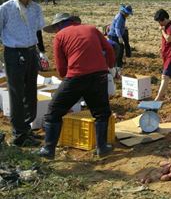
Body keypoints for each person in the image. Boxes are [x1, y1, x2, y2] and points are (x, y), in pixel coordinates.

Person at [37, 13, 115, 158]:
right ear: (73, 21)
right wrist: (109, 66)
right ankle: (102, 147)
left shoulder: (59, 36)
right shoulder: (92, 29)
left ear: (58, 26)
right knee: (101, 112)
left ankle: (48, 150)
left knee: (53, 112)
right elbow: (109, 49)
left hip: (77, 77)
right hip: (99, 75)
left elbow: (61, 68)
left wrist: (67, 78)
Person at [0, 0, 48, 147]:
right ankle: (19, 134)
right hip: (14, 53)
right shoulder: (6, 8)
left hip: (30, 52)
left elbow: (38, 31)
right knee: (17, 93)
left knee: (30, 92)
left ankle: (26, 128)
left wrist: (41, 51)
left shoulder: (35, 8)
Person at [153, 9, 171, 103]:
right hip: (168, 54)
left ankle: (158, 98)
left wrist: (162, 31)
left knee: (164, 76)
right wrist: (162, 48)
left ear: (165, 18)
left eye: (160, 21)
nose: (159, 24)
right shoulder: (167, 26)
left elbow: (168, 39)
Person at [107, 4, 133, 70]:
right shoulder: (120, 17)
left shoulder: (122, 17)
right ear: (124, 12)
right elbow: (117, 28)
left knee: (121, 48)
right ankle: (117, 65)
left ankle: (118, 63)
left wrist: (124, 28)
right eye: (127, 13)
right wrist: (119, 37)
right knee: (118, 50)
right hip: (114, 36)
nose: (128, 15)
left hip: (116, 35)